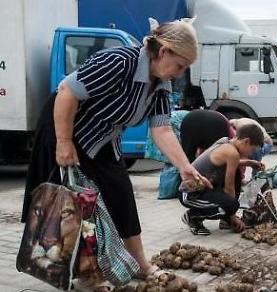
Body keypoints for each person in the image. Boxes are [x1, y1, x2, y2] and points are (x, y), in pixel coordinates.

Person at [22, 19, 211, 290]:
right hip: (65, 126)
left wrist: (184, 166)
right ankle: (82, 274)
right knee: (72, 205)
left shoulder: (160, 85)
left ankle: (140, 264)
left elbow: (163, 130)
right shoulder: (119, 61)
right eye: (180, 65)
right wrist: (63, 142)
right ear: (163, 51)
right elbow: (66, 92)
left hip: (102, 140)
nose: (180, 73)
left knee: (121, 194)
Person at [179, 124, 265, 235]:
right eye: (252, 149)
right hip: (189, 193)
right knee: (231, 204)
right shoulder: (232, 153)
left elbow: (230, 162)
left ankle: (225, 218)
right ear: (246, 141)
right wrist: (232, 215)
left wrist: (250, 163)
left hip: (203, 187)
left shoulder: (226, 142)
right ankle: (193, 216)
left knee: (235, 183)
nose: (251, 153)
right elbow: (229, 187)